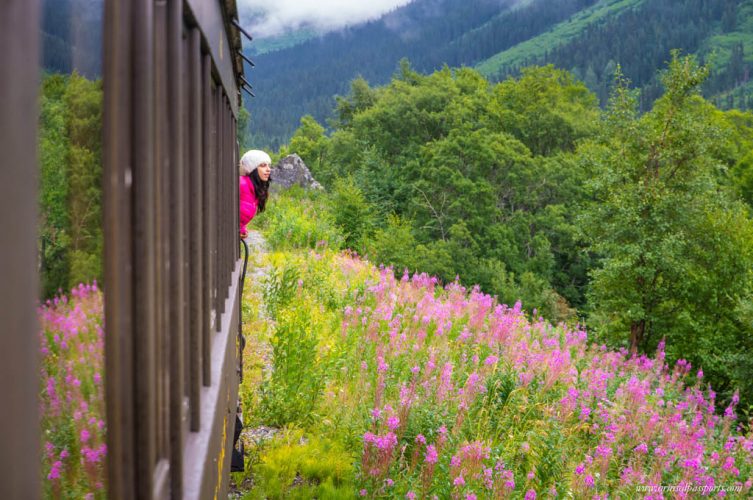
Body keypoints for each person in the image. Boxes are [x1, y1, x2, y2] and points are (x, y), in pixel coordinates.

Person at [238, 149, 272, 239]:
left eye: (269, 165)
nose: (268, 169)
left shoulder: (254, 190)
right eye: (263, 165)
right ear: (252, 169)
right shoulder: (241, 184)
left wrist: (241, 229)